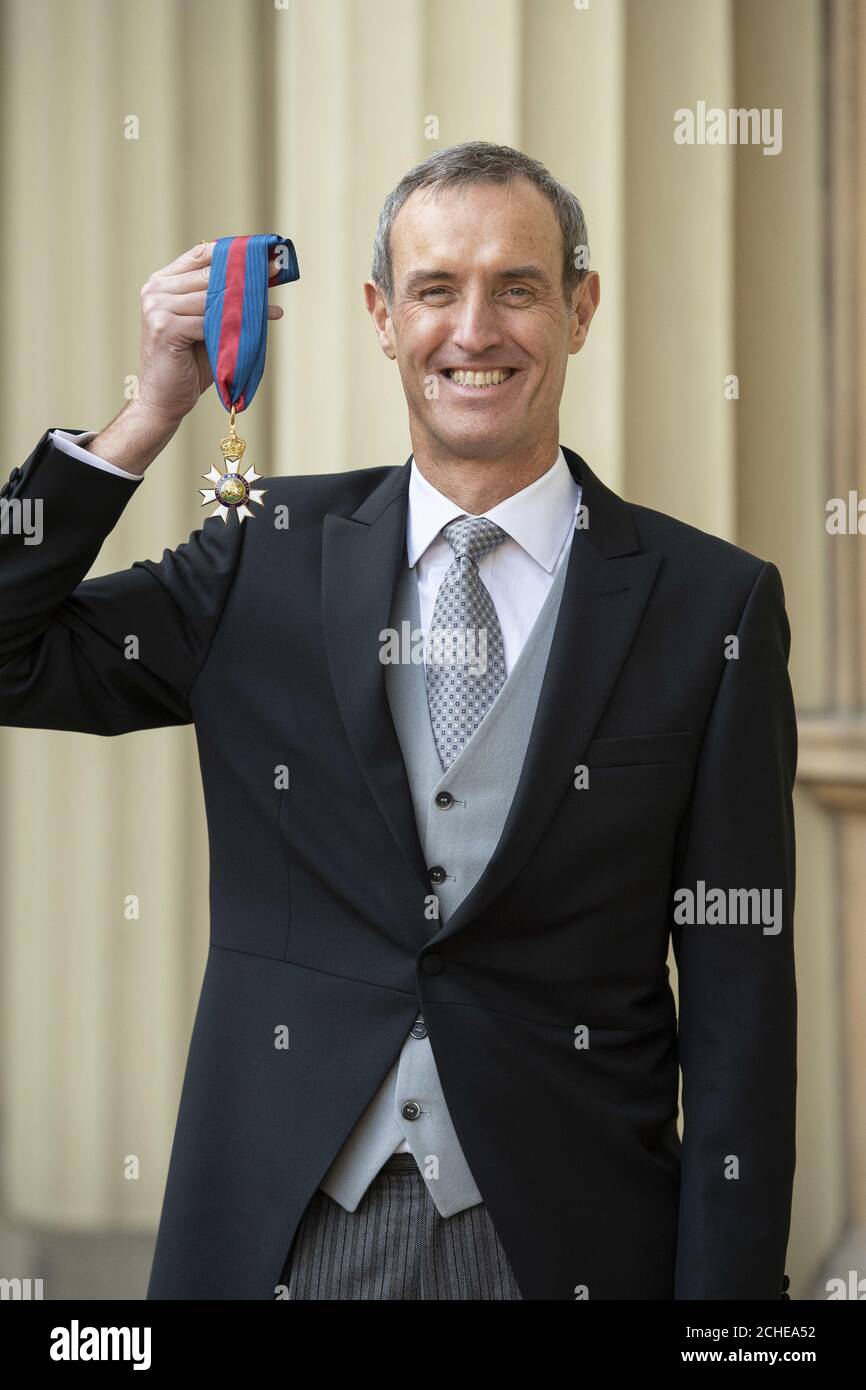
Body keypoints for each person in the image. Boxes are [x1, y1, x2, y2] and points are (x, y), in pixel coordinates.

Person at [0, 141, 795, 1301]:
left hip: (569, 1243)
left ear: (579, 307)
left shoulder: (709, 603)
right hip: (288, 1236)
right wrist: (144, 418)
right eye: (434, 289)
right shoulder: (263, 555)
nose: (473, 330)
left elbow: (739, 1006)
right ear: (381, 315)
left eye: (516, 287)